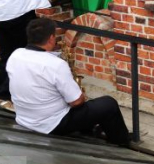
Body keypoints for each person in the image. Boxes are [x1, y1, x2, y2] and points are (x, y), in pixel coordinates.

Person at [7, 18, 130, 146]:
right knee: (108, 104)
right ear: (50, 38)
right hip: (51, 125)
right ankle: (122, 143)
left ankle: (92, 130)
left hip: (24, 118)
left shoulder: (15, 55)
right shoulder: (56, 64)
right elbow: (77, 101)